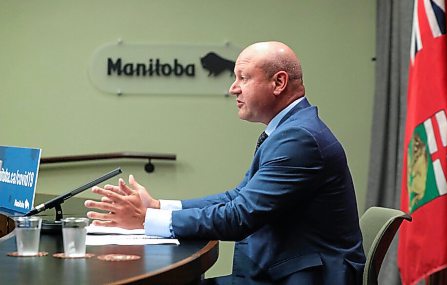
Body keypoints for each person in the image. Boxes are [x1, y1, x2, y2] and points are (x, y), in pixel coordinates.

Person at [85, 41, 365, 284]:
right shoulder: (291, 129)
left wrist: (147, 220)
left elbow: (240, 217)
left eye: (243, 77)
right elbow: (238, 197)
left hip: (303, 278)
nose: (233, 89)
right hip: (285, 271)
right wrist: (159, 206)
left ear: (278, 83)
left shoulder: (299, 139)